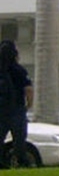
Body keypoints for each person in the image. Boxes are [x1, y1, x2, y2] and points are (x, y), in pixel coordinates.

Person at [0, 40, 35, 168]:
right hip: (17, 109)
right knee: (19, 139)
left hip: (1, 110)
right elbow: (28, 90)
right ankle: (21, 161)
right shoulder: (19, 70)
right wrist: (29, 105)